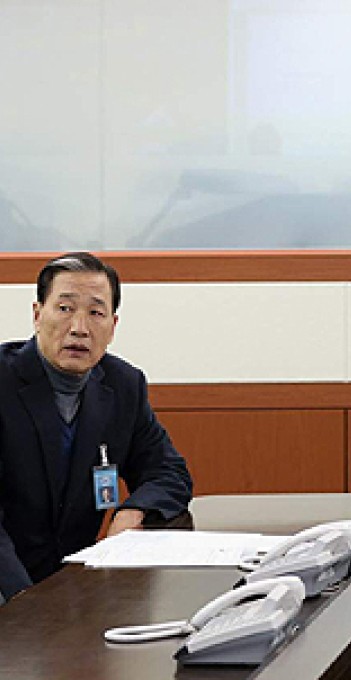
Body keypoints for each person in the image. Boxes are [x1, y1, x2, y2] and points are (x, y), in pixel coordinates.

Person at [0, 252, 193, 600]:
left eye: (95, 312)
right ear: (36, 314)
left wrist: (134, 510)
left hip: (74, 592)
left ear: (113, 326)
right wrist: (24, 604)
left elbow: (168, 472)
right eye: (64, 308)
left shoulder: (123, 386)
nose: (79, 327)